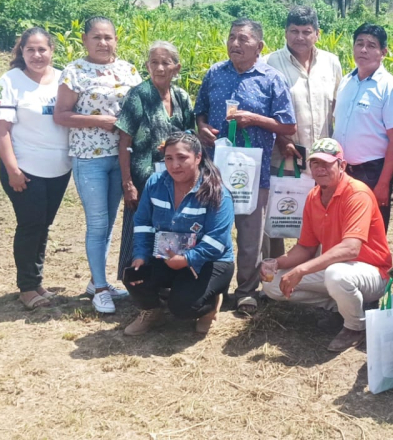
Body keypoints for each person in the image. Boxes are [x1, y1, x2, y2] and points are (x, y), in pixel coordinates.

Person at [195, 18, 297, 318]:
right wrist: (202, 127)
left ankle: (246, 292)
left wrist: (254, 119)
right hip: (215, 169)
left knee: (250, 236)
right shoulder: (215, 73)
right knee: (212, 230)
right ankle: (212, 289)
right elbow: (200, 112)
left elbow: (287, 125)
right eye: (232, 37)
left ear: (259, 46)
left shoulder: (271, 78)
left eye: (243, 39)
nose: (235, 44)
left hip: (254, 172)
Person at [261, 138, 392, 352]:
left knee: (336, 275)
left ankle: (355, 327)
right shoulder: (313, 196)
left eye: (327, 163)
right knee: (272, 284)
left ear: (342, 166)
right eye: (315, 163)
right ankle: (344, 307)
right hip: (338, 270)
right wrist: (277, 263)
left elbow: (351, 248)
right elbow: (306, 247)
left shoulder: (357, 193)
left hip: (374, 273)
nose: (320, 169)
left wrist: (301, 270)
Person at [54, 16, 142, 314]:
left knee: (110, 222)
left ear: (116, 40)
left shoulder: (128, 70)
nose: (103, 43)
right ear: (85, 40)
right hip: (89, 157)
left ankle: (97, 281)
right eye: (96, 37)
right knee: (97, 223)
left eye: (108, 37)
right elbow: (61, 115)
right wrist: (99, 121)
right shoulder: (74, 72)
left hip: (122, 157)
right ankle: (102, 290)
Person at [123, 133, 235, 336]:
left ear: (198, 157)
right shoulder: (155, 183)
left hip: (209, 261)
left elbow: (217, 241)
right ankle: (152, 311)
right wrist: (140, 255)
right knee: (134, 275)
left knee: (183, 308)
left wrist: (186, 260)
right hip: (167, 256)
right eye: (169, 158)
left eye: (182, 157)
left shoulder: (217, 192)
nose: (175, 165)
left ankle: (210, 304)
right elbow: (143, 223)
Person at [0, 26, 72, 310]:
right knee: (30, 225)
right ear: (21, 52)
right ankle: (26, 288)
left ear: (51, 50)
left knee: (43, 226)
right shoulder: (10, 81)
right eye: (30, 50)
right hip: (24, 169)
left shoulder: (64, 78)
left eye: (42, 49)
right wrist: (13, 170)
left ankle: (36, 282)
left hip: (59, 169)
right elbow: (1, 129)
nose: (37, 55)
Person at [263, 6, 343, 259]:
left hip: (322, 161)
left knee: (321, 218)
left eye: (306, 31)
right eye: (294, 31)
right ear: (285, 33)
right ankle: (271, 271)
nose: (300, 37)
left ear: (317, 33)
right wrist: (280, 137)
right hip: (284, 157)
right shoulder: (269, 63)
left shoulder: (331, 63)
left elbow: (336, 108)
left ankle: (314, 270)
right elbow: (262, 109)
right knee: (277, 218)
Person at [116, 41, 196, 279]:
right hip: (143, 179)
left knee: (171, 228)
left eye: (165, 63)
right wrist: (128, 183)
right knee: (140, 228)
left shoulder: (181, 97)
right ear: (147, 66)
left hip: (175, 179)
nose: (159, 68)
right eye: (154, 62)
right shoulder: (138, 95)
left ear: (176, 68)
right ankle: (137, 280)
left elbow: (190, 137)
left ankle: (167, 281)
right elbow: (124, 141)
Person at [332, 23, 393, 228]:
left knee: (370, 231)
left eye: (371, 45)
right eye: (359, 44)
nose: (363, 50)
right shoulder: (346, 81)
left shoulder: (390, 87)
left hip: (372, 173)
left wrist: (383, 183)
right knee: (341, 228)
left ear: (383, 52)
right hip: (342, 171)